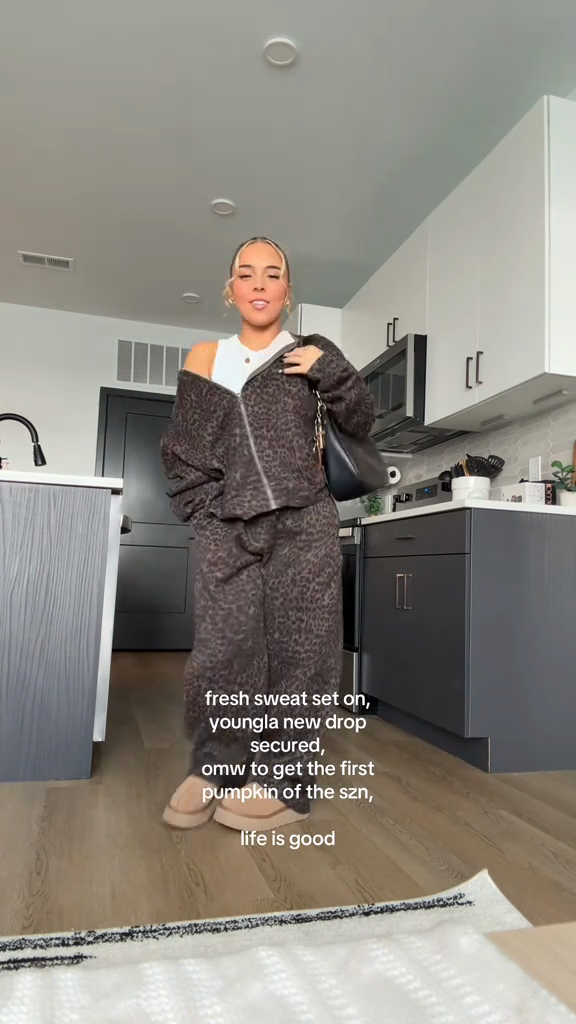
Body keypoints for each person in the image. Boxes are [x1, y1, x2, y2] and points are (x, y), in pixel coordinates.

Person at [160, 237, 374, 832]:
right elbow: (183, 451)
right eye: (246, 273)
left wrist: (328, 372)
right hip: (228, 528)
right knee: (223, 650)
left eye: (272, 273)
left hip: (304, 525)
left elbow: (360, 420)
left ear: (287, 290)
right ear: (230, 290)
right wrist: (209, 515)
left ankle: (284, 782)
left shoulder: (312, 350)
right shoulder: (205, 356)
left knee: (302, 656)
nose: (259, 283)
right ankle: (217, 766)